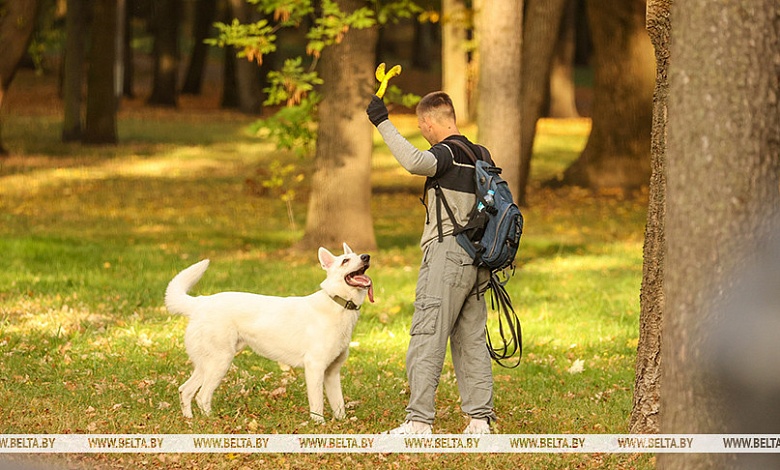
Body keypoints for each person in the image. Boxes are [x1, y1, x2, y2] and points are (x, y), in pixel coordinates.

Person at [366, 92, 496, 434]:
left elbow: (414, 162)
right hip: (479, 259)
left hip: (447, 256)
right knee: (471, 339)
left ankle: (418, 421)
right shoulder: (481, 154)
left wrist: (382, 123)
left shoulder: (448, 152)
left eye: (423, 127)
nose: (424, 132)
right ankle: (479, 421)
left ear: (428, 122)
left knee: (428, 333)